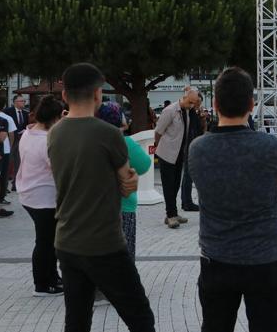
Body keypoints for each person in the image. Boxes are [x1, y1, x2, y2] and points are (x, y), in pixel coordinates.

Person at [49, 63, 154, 332]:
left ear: (64, 96)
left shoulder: (54, 133)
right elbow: (128, 186)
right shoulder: (108, 134)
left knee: (77, 318)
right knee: (140, 316)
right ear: (98, 94)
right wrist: (123, 179)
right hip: (104, 242)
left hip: (66, 240)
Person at [188, 67, 277, 332]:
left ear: (214, 103)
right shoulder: (270, 146)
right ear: (251, 104)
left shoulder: (198, 149)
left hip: (216, 261)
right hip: (265, 261)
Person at [16, 95, 65, 296]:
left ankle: (51, 277)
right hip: (43, 197)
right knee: (46, 242)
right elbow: (58, 170)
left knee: (46, 240)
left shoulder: (28, 133)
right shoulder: (48, 140)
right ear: (54, 117)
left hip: (29, 193)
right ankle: (44, 283)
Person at [95, 101, 153, 259]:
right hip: (123, 206)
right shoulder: (124, 142)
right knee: (123, 258)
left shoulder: (91, 140)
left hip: (94, 208)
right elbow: (144, 165)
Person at [154, 87, 201, 228]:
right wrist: (159, 148)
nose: (192, 105)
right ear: (184, 97)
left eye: (194, 103)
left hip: (180, 153)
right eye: (191, 102)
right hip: (167, 153)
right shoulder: (170, 111)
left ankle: (172, 213)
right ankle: (170, 215)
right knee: (168, 185)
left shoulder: (188, 111)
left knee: (175, 185)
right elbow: (158, 132)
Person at [181, 88, 205, 212]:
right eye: (198, 102)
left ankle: (185, 201)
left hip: (192, 145)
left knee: (187, 176)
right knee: (188, 175)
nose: (199, 105)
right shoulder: (188, 111)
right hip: (189, 146)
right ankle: (187, 202)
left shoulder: (194, 113)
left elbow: (201, 130)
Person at [4, 94, 29, 191]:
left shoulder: (26, 113)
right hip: (10, 139)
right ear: (15, 102)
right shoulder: (7, 112)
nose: (23, 103)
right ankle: (4, 185)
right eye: (21, 101)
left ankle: (16, 184)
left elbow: (27, 125)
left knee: (18, 162)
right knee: (8, 161)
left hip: (21, 140)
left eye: (24, 101)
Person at [0, 98, 17, 201]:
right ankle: (2, 196)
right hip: (5, 148)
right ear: (4, 106)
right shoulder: (8, 118)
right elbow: (12, 134)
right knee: (4, 173)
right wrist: (10, 145)